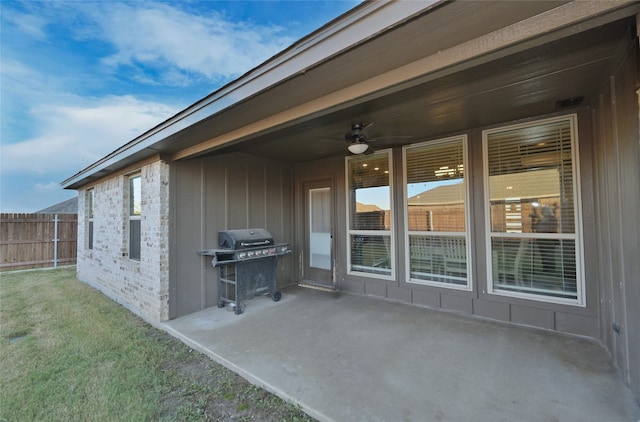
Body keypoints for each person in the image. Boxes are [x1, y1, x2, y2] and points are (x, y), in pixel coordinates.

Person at [530, 204, 558, 272]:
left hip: (548, 242)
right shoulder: (543, 219)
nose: (542, 212)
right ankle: (546, 269)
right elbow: (535, 227)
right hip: (542, 241)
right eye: (542, 211)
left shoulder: (552, 219)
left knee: (549, 256)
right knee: (544, 256)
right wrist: (534, 220)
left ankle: (550, 270)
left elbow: (547, 229)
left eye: (543, 211)